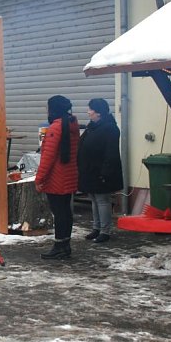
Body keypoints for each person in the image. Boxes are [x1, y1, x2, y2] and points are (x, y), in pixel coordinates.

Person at [36, 95, 80, 260]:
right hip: (68, 175)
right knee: (65, 211)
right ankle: (65, 244)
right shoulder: (71, 124)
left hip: (56, 177)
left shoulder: (56, 128)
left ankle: (59, 245)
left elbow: (48, 157)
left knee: (59, 212)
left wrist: (39, 179)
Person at [77, 98, 123, 244]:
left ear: (98, 112)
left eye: (90, 109)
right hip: (90, 170)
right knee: (94, 199)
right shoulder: (92, 127)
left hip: (102, 171)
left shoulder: (110, 128)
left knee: (103, 200)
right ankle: (96, 228)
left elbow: (111, 152)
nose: (88, 112)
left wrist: (105, 173)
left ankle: (105, 231)